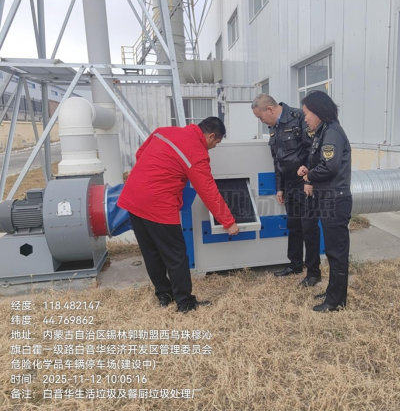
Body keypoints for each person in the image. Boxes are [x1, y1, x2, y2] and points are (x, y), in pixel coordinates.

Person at [117, 117, 240, 313]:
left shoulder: (163, 131)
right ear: (211, 136)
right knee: (176, 256)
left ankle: (164, 296)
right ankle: (185, 303)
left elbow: (140, 154)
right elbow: (208, 190)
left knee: (151, 252)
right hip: (158, 205)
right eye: (215, 144)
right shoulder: (196, 152)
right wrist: (228, 222)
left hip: (132, 197)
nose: (212, 148)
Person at [251, 94, 321, 287]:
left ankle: (313, 272)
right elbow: (278, 160)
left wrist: (309, 179)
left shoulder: (299, 118)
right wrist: (279, 187)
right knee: (294, 226)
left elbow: (313, 151)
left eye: (260, 117)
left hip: (304, 184)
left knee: (309, 228)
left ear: (269, 109)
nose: (261, 121)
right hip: (289, 185)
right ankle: (295, 264)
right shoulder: (274, 128)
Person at [297, 91, 352, 312]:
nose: (305, 118)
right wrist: (308, 170)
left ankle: (336, 301)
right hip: (327, 197)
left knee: (336, 252)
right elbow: (321, 162)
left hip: (335, 200)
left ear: (318, 111)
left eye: (306, 113)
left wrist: (309, 176)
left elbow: (330, 166)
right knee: (331, 250)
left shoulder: (332, 133)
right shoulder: (323, 132)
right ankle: (333, 293)